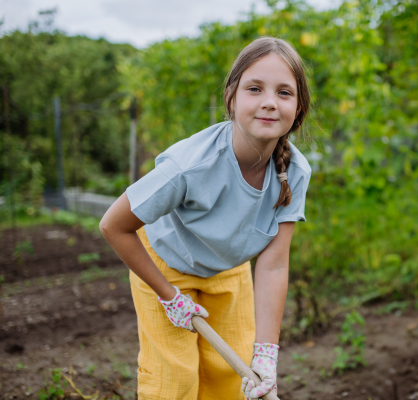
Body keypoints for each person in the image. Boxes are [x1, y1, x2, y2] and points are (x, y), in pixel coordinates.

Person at [99, 36, 311, 400]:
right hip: (166, 262)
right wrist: (169, 298)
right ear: (230, 97)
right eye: (255, 88)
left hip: (228, 269)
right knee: (174, 382)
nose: (269, 103)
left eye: (284, 93)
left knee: (229, 378)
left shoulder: (295, 172)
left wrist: (267, 354)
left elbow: (274, 266)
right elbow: (113, 225)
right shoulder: (189, 165)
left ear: (299, 107)